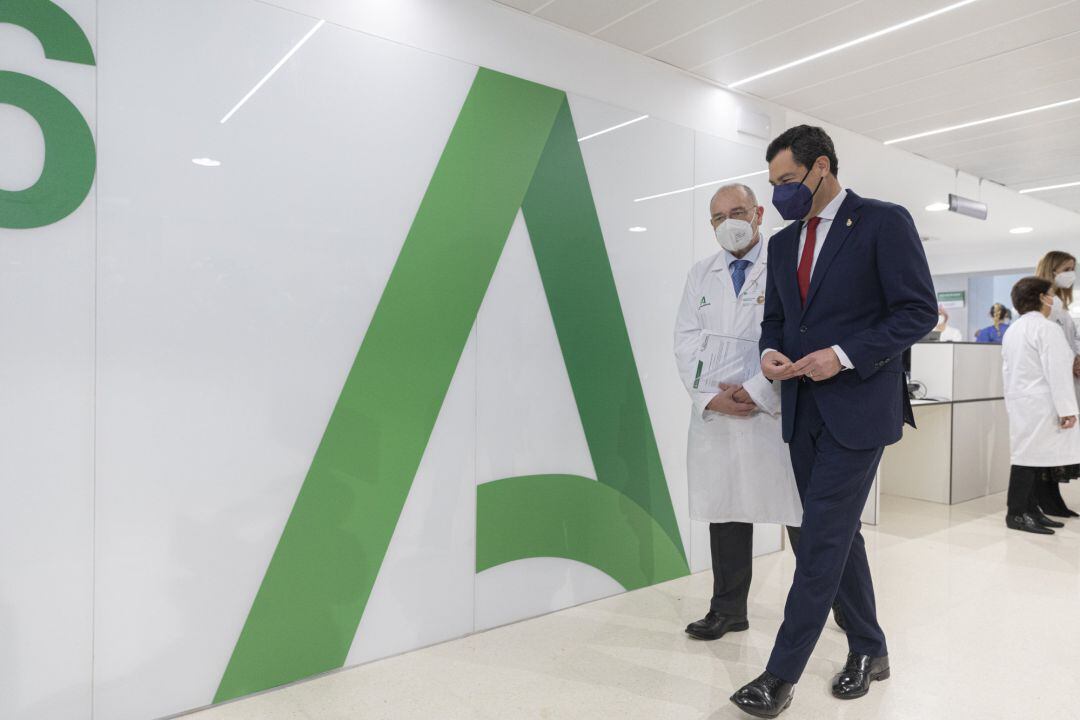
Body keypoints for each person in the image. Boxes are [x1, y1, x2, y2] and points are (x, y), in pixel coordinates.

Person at [730, 125, 937, 718]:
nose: (780, 195)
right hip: (800, 408)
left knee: (820, 538)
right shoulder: (782, 243)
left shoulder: (881, 221)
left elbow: (918, 311)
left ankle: (779, 676)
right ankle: (871, 649)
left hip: (859, 408)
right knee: (831, 534)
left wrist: (843, 355)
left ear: (822, 167)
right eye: (774, 185)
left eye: (788, 181)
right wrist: (769, 354)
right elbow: (776, 320)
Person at [673, 183, 803, 642]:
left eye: (738, 211)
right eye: (718, 217)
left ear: (759, 214)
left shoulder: (787, 264)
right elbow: (686, 339)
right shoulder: (700, 273)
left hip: (776, 409)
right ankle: (728, 609)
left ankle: (840, 605)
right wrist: (710, 397)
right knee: (726, 509)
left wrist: (754, 389)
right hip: (718, 413)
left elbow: (795, 335)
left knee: (801, 513)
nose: (728, 222)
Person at [1001, 276, 1080, 534]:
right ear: (1042, 298)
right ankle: (1017, 513)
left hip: (1024, 401)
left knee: (1031, 456)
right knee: (1027, 458)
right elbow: (1058, 372)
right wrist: (1068, 408)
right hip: (1041, 402)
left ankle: (1031, 510)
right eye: (1051, 294)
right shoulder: (1046, 328)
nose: (1054, 298)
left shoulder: (1015, 329)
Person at [1033, 251, 1080, 517]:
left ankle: (1053, 499)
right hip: (1049, 384)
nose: (1070, 274)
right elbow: (1049, 345)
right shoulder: (1044, 305)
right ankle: (1045, 500)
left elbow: (1069, 341)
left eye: (1073, 269)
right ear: (1052, 270)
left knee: (1057, 446)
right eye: (1066, 268)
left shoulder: (1060, 304)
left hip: (1066, 380)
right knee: (1047, 445)